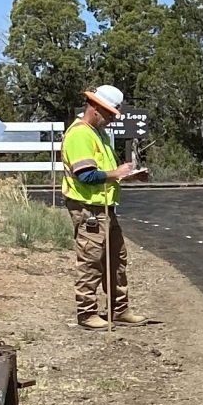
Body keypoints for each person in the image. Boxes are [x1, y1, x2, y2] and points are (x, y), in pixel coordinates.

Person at [61, 84, 146, 328]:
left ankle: (119, 309)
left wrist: (127, 175)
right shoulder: (80, 134)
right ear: (95, 108)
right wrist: (116, 173)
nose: (111, 119)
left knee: (117, 260)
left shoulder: (98, 133)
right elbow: (85, 175)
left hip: (105, 208)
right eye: (109, 114)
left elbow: (105, 173)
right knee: (91, 262)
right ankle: (87, 313)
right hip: (88, 209)